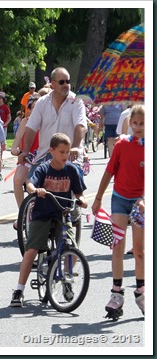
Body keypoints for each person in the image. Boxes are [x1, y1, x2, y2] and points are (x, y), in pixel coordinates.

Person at [10, 133, 87, 307]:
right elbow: (29, 183)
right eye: (61, 152)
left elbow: (79, 193)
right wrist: (35, 190)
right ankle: (19, 290)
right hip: (42, 214)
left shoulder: (72, 170)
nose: (65, 155)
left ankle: (67, 280)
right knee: (31, 251)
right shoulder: (44, 168)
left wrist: (82, 200)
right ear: (51, 151)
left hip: (62, 214)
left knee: (72, 249)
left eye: (67, 152)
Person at [91, 105, 145, 317]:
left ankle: (141, 292)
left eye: (142, 123)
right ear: (130, 123)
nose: (138, 127)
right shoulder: (122, 145)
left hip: (140, 202)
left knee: (139, 251)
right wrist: (97, 199)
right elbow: (108, 173)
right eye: (135, 123)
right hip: (120, 200)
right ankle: (116, 293)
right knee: (117, 247)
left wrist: (145, 199)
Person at [18, 67, 87, 171]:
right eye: (61, 82)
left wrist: (75, 147)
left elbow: (80, 126)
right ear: (52, 84)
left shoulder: (76, 102)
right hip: (45, 157)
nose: (65, 85)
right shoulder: (42, 102)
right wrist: (25, 151)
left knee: (75, 182)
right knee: (30, 183)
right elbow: (31, 128)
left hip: (69, 157)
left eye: (67, 81)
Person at [11, 94, 40, 229]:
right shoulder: (25, 122)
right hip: (28, 158)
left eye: (38, 106)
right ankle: (22, 212)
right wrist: (16, 150)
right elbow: (15, 144)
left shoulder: (48, 122)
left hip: (43, 157)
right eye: (32, 107)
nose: (35, 109)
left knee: (34, 184)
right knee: (18, 179)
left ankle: (37, 213)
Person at [0, 91, 11, 181]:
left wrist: (5, 124)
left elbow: (9, 117)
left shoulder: (5, 107)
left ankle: (0, 158)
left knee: (2, 143)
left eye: (0, 97)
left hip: (3, 127)